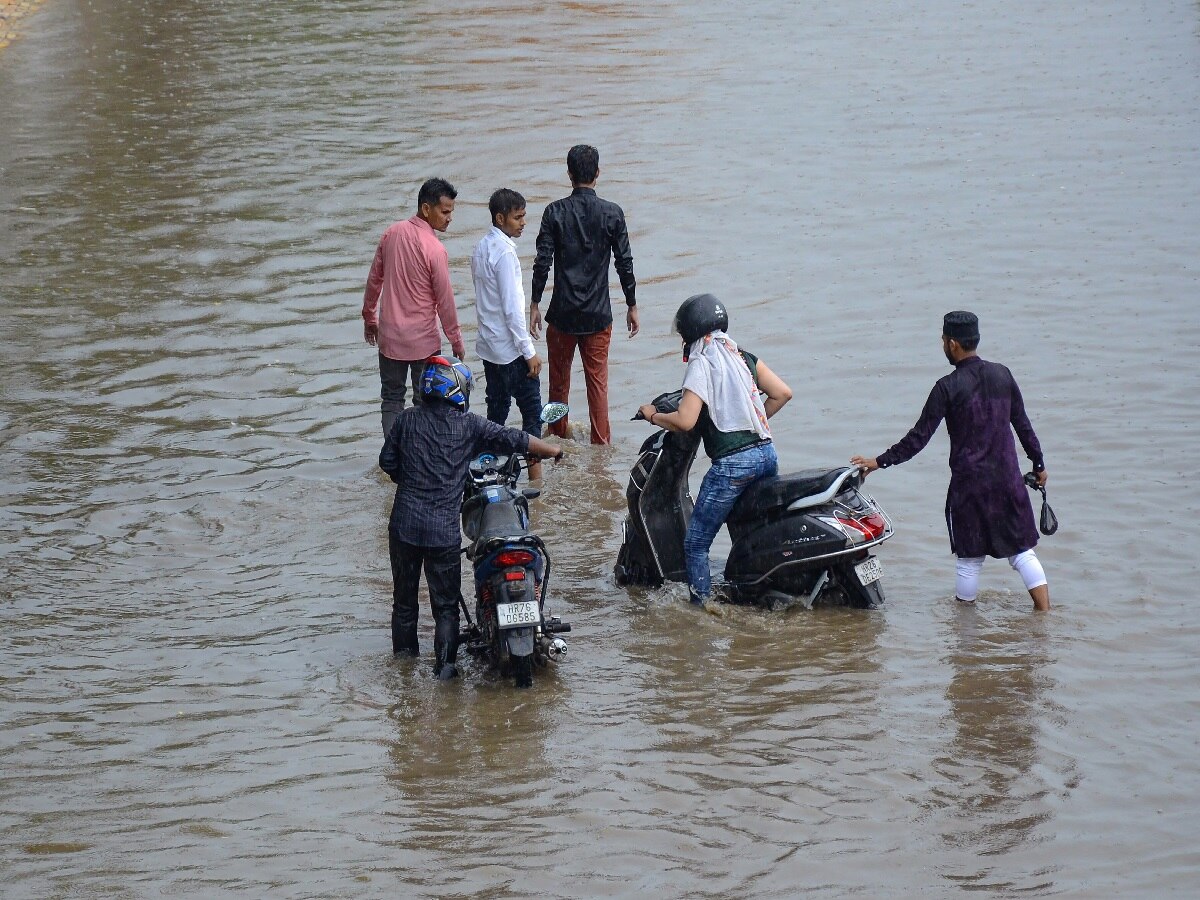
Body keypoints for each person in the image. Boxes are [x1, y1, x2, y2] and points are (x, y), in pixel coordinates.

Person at [850, 311, 1051, 611]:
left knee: (969, 562)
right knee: (1022, 553)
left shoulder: (947, 387)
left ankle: (965, 640)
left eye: (944, 340)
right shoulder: (1003, 375)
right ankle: (1044, 617)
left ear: (954, 344)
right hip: (1008, 481)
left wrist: (879, 461)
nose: (943, 345)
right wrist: (1038, 465)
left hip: (970, 488)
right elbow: (1023, 426)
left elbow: (918, 438)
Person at [378, 355, 564, 679]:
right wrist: (553, 451)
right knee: (446, 608)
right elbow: (514, 438)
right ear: (458, 391)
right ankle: (446, 671)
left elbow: (387, 463)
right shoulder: (469, 425)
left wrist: (411, 481)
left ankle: (405, 677)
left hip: (404, 526)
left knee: (404, 604)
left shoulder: (406, 421)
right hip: (441, 533)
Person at [638, 294, 792, 606]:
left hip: (733, 467)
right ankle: (751, 591)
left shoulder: (702, 362)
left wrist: (652, 415)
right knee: (747, 531)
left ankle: (701, 609)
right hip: (766, 455)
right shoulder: (741, 357)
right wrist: (751, 417)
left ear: (691, 332)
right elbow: (782, 393)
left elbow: (685, 419)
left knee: (695, 543)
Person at [530, 144, 638, 445]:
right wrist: (631, 304)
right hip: (598, 315)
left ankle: (556, 442)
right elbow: (624, 262)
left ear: (569, 174)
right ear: (598, 173)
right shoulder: (612, 213)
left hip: (562, 314)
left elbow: (543, 261)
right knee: (597, 387)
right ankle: (601, 448)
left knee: (558, 387)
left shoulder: (554, 212)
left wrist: (535, 302)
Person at [362, 177, 467, 440]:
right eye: (445, 211)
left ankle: (393, 457)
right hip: (423, 341)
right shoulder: (435, 249)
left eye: (451, 211)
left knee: (391, 400)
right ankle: (421, 456)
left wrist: (369, 317)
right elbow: (445, 301)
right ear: (426, 208)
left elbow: (375, 279)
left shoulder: (391, 233)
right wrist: (456, 339)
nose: (449, 218)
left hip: (390, 337)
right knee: (426, 402)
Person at [471, 188, 546, 480]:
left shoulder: (480, 247)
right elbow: (512, 310)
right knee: (532, 414)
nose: (523, 222)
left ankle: (489, 474)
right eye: (517, 217)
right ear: (500, 218)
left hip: (489, 349)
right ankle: (536, 482)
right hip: (510, 350)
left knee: (497, 415)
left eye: (524, 216)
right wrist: (529, 352)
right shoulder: (504, 254)